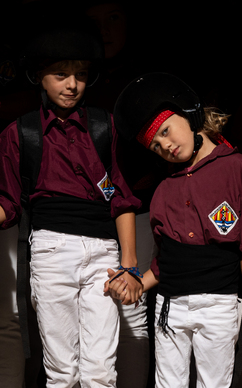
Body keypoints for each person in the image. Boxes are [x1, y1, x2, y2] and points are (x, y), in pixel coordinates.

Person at [108, 72, 242, 388]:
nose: (165, 145)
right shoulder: (163, 191)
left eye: (166, 131)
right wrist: (135, 285)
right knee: (167, 383)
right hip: (170, 306)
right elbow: (164, 262)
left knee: (213, 383)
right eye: (155, 145)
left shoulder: (235, 167)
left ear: (188, 116)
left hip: (219, 303)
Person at [0, 25, 142, 387]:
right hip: (51, 250)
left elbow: (120, 196)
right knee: (62, 372)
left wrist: (129, 265)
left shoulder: (102, 126)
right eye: (60, 74)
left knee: (100, 372)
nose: (72, 85)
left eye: (80, 75)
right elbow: (8, 205)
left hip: (104, 253)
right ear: (38, 77)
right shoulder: (21, 133)